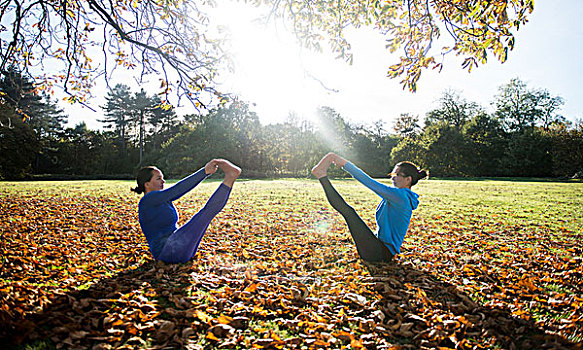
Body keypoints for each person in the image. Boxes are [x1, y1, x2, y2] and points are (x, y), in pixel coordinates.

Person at [311, 152, 428, 263]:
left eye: (397, 175)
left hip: (380, 253)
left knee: (349, 213)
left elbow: (370, 182)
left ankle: (322, 176)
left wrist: (344, 164)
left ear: (408, 179)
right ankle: (321, 176)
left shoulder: (401, 197)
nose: (393, 178)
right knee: (349, 213)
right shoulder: (399, 196)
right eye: (393, 174)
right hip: (379, 249)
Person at [131, 159, 241, 264]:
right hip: (167, 251)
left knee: (206, 214)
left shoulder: (162, 200)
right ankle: (230, 178)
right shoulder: (147, 200)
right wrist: (204, 172)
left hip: (178, 247)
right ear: (147, 184)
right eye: (158, 178)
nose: (163, 181)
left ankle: (230, 179)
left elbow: (176, 192)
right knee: (205, 214)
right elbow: (178, 189)